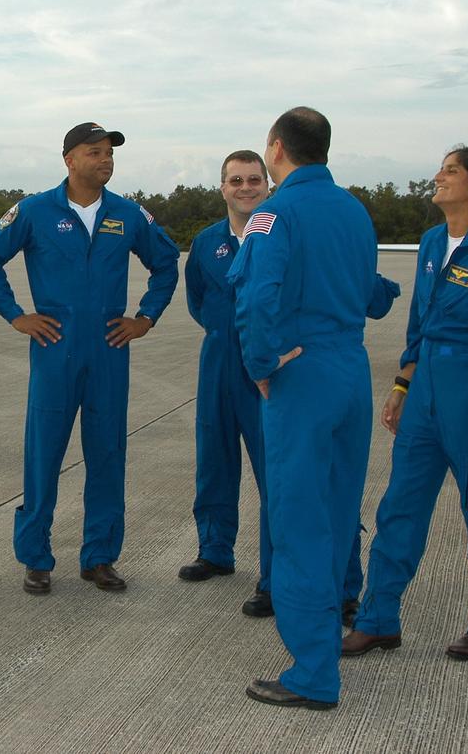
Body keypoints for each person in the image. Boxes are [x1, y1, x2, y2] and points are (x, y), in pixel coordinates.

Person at [343, 146, 468, 664]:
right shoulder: (432, 243)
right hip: (426, 385)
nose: (439, 177)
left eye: (451, 171)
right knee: (399, 507)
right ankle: (378, 619)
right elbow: (419, 323)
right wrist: (403, 384)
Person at [0, 122, 180, 594]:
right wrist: (16, 315)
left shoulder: (128, 215)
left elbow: (166, 264)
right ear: (68, 158)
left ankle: (100, 556)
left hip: (109, 347)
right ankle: (36, 557)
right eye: (94, 152)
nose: (105, 160)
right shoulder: (33, 211)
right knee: (43, 453)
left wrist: (144, 318)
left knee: (107, 452)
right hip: (54, 347)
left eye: (109, 153)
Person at [229, 107, 382, 710]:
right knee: (339, 512)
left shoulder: (275, 212)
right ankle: (329, 632)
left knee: (296, 520)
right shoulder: (354, 209)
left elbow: (257, 296)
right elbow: (371, 292)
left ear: (276, 148)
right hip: (351, 371)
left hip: (302, 373)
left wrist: (262, 365)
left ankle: (314, 673)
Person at [180, 151, 271, 612]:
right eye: (235, 180)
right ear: (222, 187)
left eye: (254, 179)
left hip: (265, 369)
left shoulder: (279, 236)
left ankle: (274, 572)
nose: (245, 187)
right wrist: (222, 332)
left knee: (272, 469)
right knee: (213, 460)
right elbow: (197, 299)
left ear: (268, 184)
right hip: (218, 361)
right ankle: (215, 550)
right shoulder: (206, 242)